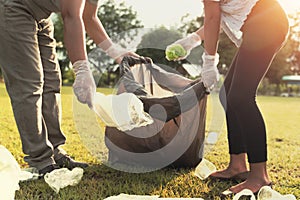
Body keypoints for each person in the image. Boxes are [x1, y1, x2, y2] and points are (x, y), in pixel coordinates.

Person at [0, 0, 136, 176]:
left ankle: (55, 151)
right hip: (14, 8)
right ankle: (40, 159)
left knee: (51, 83)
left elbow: (89, 17)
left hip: (43, 16)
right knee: (30, 85)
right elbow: (71, 15)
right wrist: (81, 69)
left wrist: (117, 53)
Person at [167, 0, 289, 195]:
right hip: (264, 20)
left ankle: (259, 176)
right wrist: (191, 41)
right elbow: (219, 14)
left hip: (265, 21)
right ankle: (238, 165)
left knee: (241, 98)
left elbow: (213, 16)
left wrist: (209, 63)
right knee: (227, 94)